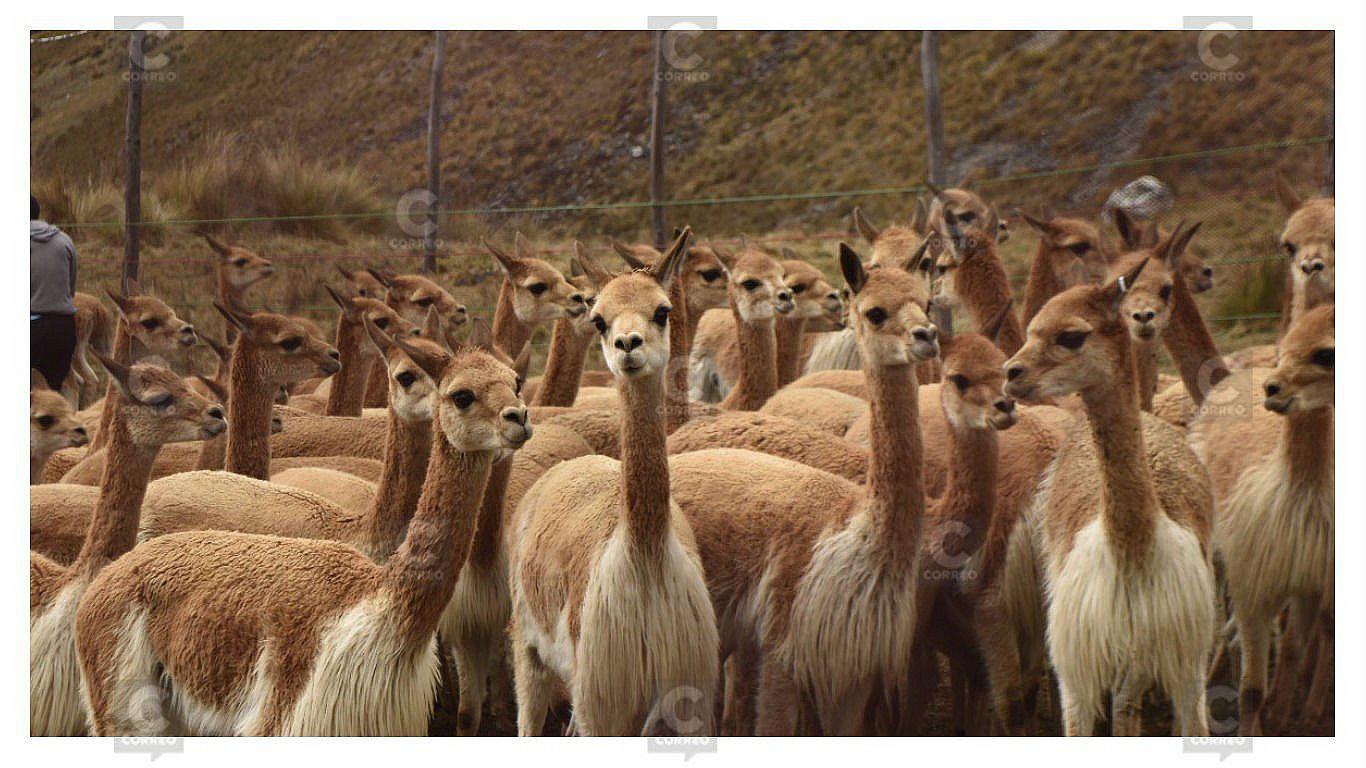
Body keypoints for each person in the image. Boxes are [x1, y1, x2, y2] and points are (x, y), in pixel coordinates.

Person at [30, 195, 79, 391]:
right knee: (51, 395)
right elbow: (71, 289)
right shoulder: (64, 240)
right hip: (64, 328)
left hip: (32, 325)